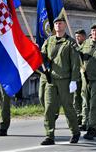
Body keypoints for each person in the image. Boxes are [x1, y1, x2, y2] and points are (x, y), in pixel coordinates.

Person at [40, 16, 81, 145]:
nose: (58, 25)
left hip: (65, 80)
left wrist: (74, 80)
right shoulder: (49, 41)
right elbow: (43, 57)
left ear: (64, 25)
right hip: (51, 80)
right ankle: (49, 135)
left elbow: (75, 63)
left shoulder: (71, 42)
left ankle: (75, 132)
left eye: (60, 23)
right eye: (56, 23)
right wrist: (37, 52)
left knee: (68, 108)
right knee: (49, 108)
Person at [74, 29, 87, 126]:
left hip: (85, 76)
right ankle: (78, 115)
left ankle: (84, 116)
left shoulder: (86, 46)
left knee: (84, 96)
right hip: (76, 75)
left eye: (79, 36)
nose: (77, 38)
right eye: (76, 37)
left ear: (83, 37)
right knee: (76, 97)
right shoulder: (74, 47)